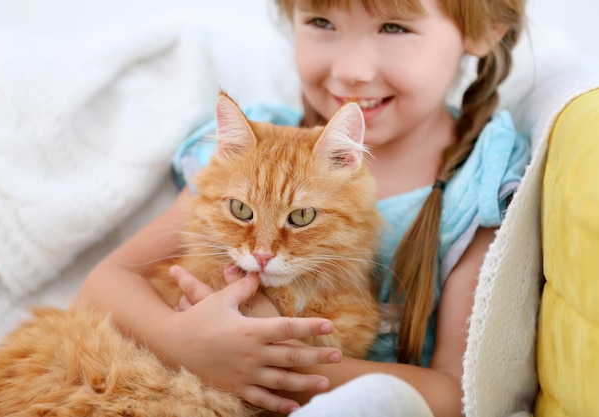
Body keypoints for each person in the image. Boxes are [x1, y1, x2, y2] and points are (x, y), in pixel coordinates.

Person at [77, 0, 530, 415]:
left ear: (485, 29)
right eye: (321, 22)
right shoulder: (248, 142)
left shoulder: (477, 190)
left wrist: (270, 363)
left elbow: (462, 397)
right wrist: (181, 343)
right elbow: (104, 283)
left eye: (393, 26)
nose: (352, 70)